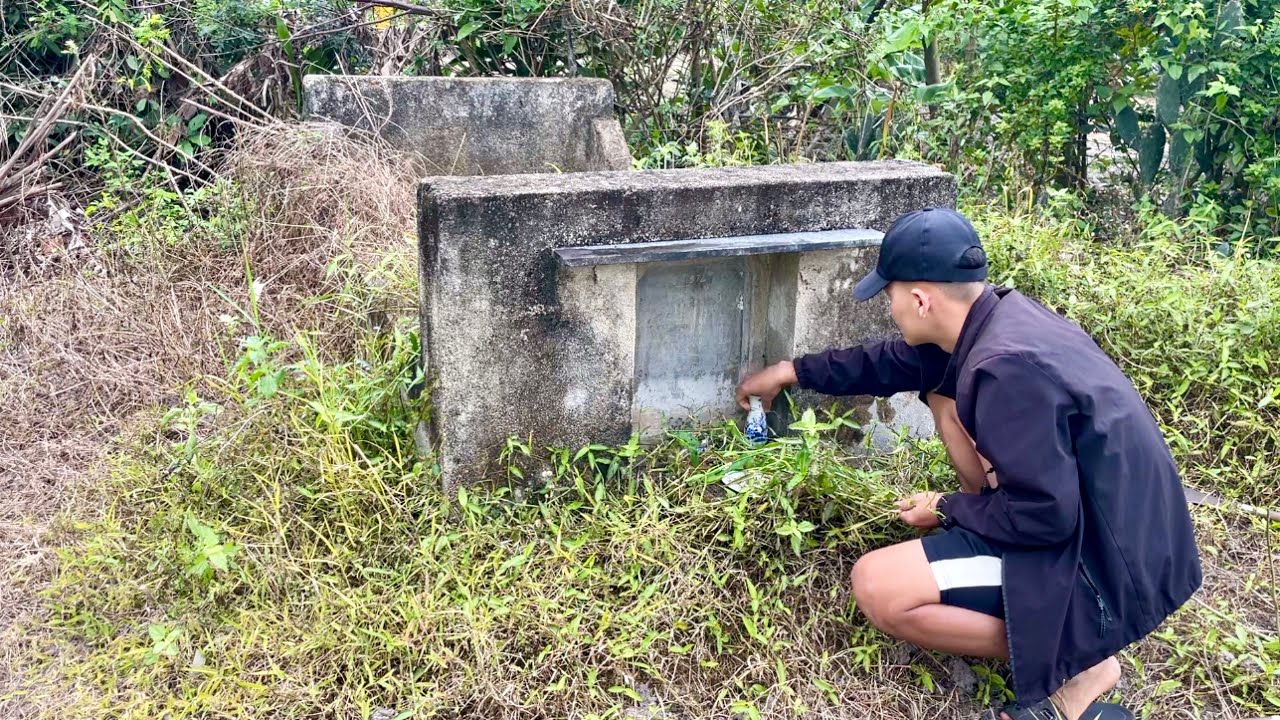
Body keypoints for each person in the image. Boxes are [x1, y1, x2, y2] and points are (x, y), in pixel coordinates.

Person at [735, 208, 1201, 720]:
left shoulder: (1004, 371)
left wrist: (947, 507)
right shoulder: (999, 319)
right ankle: (1063, 629)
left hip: (1102, 566)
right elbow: (892, 362)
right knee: (942, 395)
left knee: (878, 585)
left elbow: (1046, 516)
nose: (889, 308)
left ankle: (1080, 656)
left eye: (888, 295)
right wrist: (788, 371)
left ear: (919, 299)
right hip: (1129, 537)